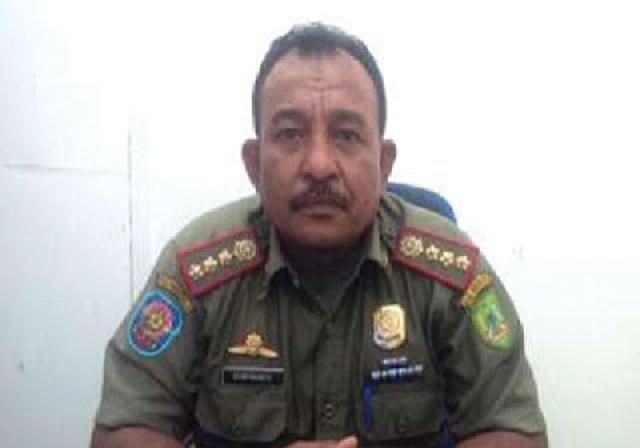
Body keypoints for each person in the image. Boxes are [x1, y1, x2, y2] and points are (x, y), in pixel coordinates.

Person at [91, 23, 547, 448]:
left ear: (384, 164)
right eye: (291, 134)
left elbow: (514, 431)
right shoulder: (196, 273)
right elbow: (121, 431)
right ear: (254, 164)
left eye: (346, 135)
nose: (319, 165)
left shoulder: (452, 276)